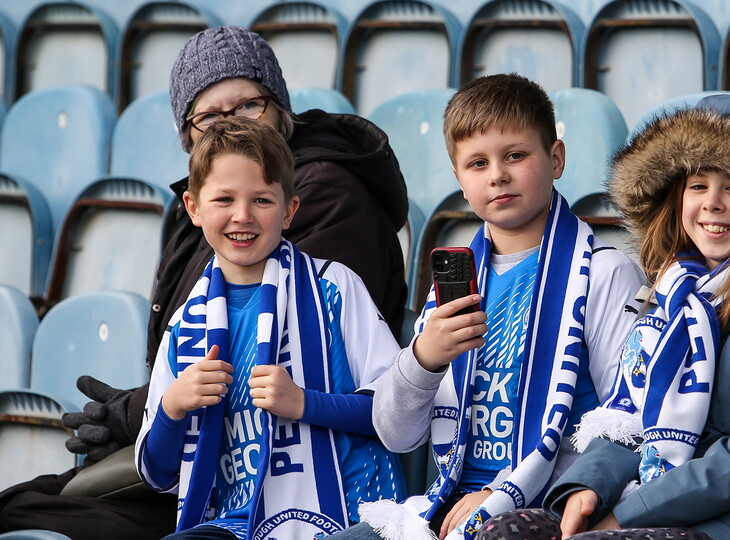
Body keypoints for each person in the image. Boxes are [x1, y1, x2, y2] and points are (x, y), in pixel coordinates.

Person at [0, 26, 408, 539]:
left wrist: (132, 413)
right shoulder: (200, 219)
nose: (229, 124)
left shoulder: (325, 195)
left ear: (279, 108)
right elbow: (173, 426)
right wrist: (162, 408)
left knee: (35, 510)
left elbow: (294, 357)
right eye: (209, 115)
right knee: (25, 506)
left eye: (248, 106)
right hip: (218, 470)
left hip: (316, 486)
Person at [475, 93, 730, 540]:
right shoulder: (675, 289)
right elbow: (634, 411)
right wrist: (588, 486)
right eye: (698, 185)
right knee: (505, 533)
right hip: (670, 498)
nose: (713, 204)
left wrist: (630, 515)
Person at [330, 73, 644, 540]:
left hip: (551, 506)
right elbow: (397, 435)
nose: (497, 174)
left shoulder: (605, 273)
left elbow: (629, 420)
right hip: (446, 506)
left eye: (515, 156)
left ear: (555, 158)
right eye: (477, 163)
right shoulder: (453, 285)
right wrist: (424, 360)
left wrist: (503, 496)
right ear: (458, 179)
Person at [135, 116, 403, 539]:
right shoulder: (185, 325)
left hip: (348, 517)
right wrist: (172, 406)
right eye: (224, 199)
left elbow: (397, 413)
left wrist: (304, 403)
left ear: (289, 210)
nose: (242, 216)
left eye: (261, 200)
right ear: (193, 208)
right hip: (231, 524)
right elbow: (155, 470)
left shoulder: (335, 287)